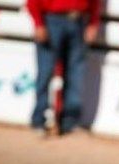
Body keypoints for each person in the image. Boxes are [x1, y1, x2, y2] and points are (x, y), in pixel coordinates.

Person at [27, 0, 101, 134]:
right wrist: (38, 23)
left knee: (76, 74)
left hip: (79, 21)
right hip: (51, 20)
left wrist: (93, 23)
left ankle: (70, 122)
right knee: (45, 71)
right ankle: (39, 119)